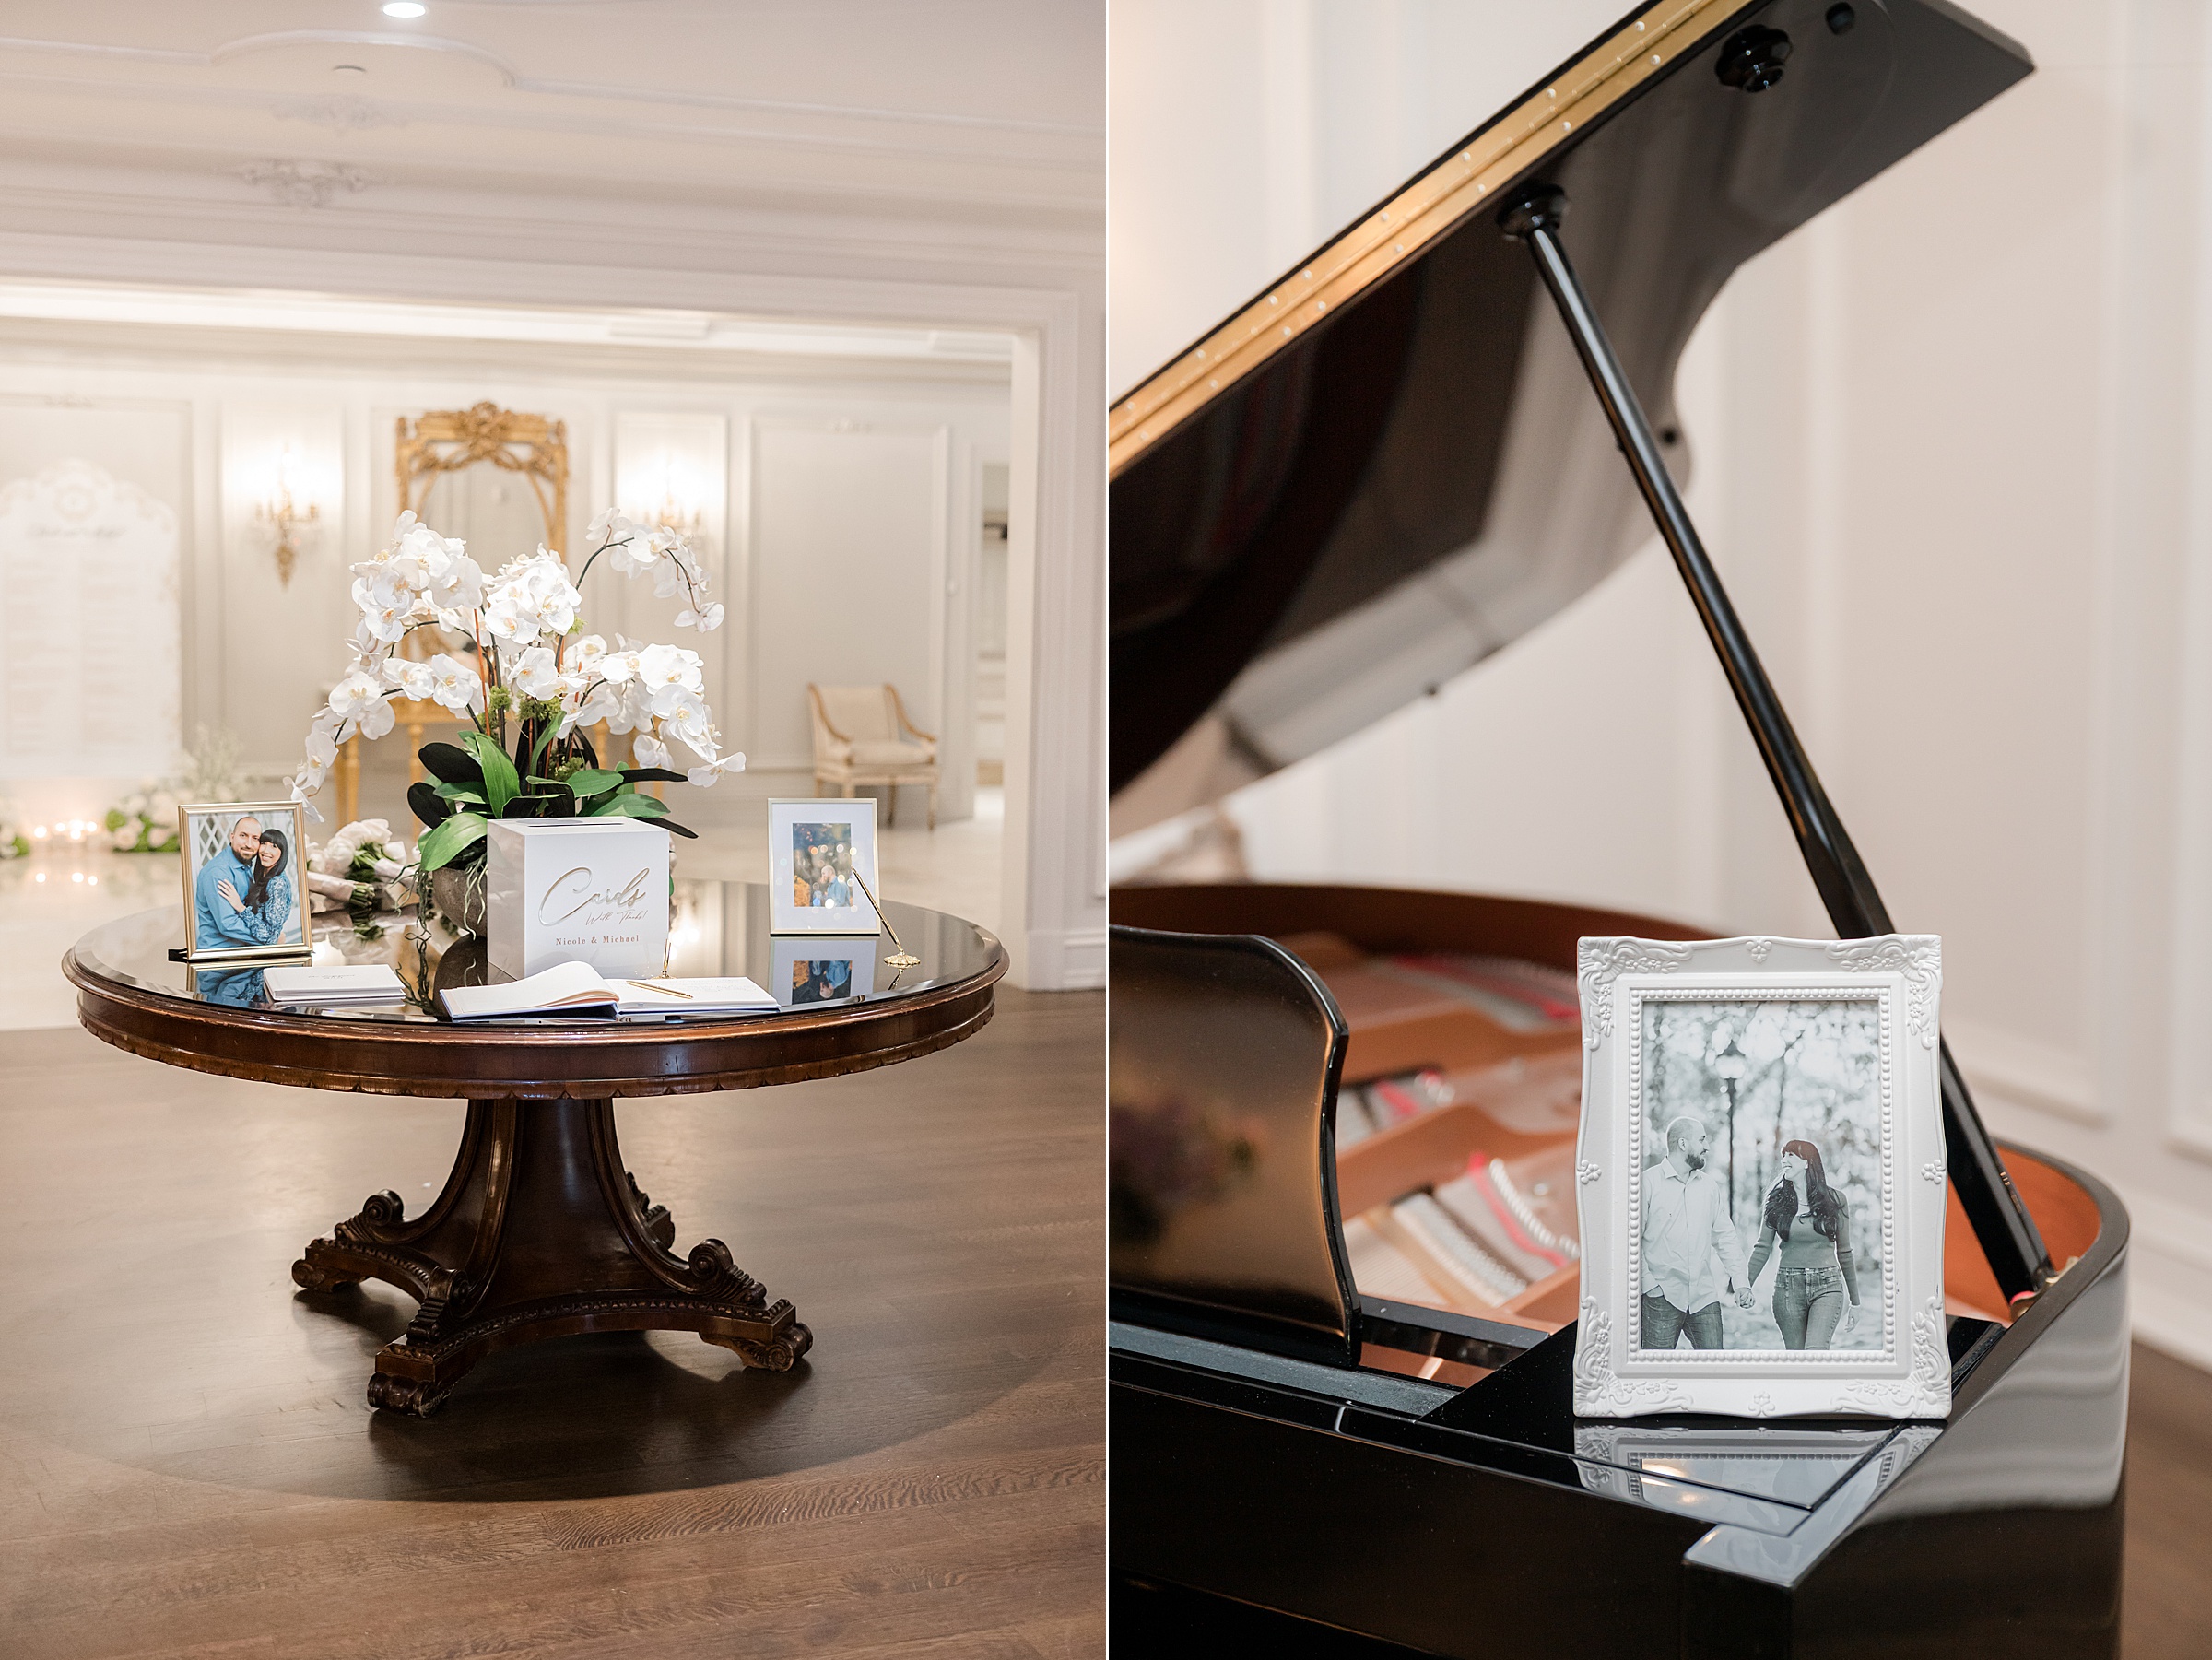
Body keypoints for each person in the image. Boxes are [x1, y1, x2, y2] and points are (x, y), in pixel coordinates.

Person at [1640, 1115, 1755, 1349]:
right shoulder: (1647, 1184)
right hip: (1661, 1297)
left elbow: (1725, 1238)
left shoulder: (1709, 1187)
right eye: (1702, 1139)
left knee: (1715, 1372)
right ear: (1683, 1144)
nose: (1707, 1146)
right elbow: (1631, 1243)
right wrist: (1649, 1285)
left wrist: (1741, 1282)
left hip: (1704, 1298)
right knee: (1656, 1375)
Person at [1745, 1139, 1861, 1349]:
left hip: (1828, 1287)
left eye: (1791, 1155)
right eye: (1783, 1155)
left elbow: (1844, 1252)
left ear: (1807, 1163)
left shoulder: (1836, 1200)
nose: (1784, 1160)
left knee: (1815, 1353)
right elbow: (1762, 1247)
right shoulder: (1776, 1201)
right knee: (1796, 1358)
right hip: (1788, 1288)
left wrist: (1855, 1302)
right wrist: (1745, 1285)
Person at [192, 815, 269, 949]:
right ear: (232, 837)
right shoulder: (218, 873)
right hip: (221, 959)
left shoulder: (244, 865)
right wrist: (268, 938)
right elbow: (228, 925)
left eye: (255, 838)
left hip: (243, 952)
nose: (249, 844)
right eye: (243, 835)